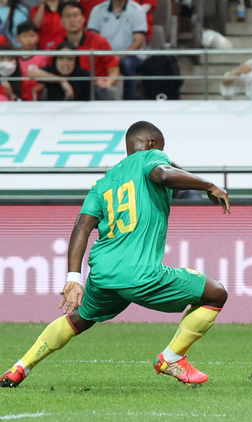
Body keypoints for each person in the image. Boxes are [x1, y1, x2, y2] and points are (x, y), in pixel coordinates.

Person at [0, 121, 231, 388]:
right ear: (152, 145)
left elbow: (81, 227)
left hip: (102, 274)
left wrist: (74, 277)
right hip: (140, 273)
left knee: (78, 319)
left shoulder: (103, 182)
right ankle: (171, 358)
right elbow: (164, 175)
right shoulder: (151, 157)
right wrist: (210, 185)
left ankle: (20, 367)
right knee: (216, 293)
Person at [51, 1, 121, 100]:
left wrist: (108, 82)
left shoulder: (99, 41)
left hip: (95, 88)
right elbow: (48, 71)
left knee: (108, 92)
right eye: (68, 16)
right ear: (61, 21)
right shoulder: (56, 45)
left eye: (75, 15)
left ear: (83, 19)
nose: (72, 20)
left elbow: (114, 69)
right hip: (68, 88)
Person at [87, 0, 147, 100]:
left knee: (126, 64)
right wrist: (109, 57)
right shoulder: (97, 10)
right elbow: (92, 39)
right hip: (104, 56)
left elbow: (138, 42)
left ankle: (129, 102)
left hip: (130, 56)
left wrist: (120, 56)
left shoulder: (137, 10)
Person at [16, 21, 47, 101]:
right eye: (25, 36)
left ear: (38, 38)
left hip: (35, 97)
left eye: (32, 36)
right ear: (18, 38)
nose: (29, 39)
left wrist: (33, 91)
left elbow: (44, 79)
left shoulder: (41, 57)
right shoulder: (13, 56)